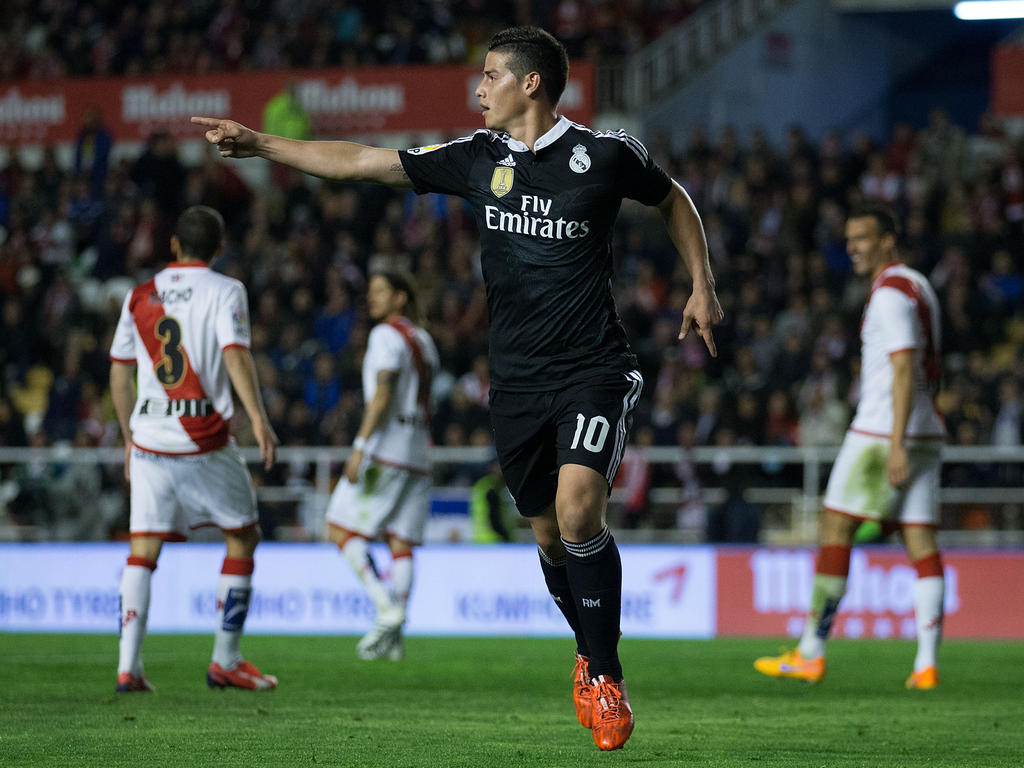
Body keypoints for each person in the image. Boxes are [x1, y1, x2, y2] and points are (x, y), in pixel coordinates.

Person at [193, 25, 722, 751]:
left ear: (530, 83)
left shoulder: (604, 156)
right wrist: (264, 144)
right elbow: (362, 163)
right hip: (514, 382)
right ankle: (588, 653)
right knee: (546, 534)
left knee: (576, 511)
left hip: (594, 368)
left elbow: (674, 202)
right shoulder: (479, 159)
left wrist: (703, 283)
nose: (479, 89)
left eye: (490, 75)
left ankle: (606, 676)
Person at [755, 205, 946, 690]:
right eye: (849, 239)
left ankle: (811, 652)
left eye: (863, 237)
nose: (853, 247)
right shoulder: (920, 285)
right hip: (926, 430)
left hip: (885, 432)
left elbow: (904, 368)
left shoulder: (887, 296)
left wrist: (896, 443)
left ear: (889, 239)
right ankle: (926, 665)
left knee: (834, 524)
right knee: (921, 541)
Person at [109, 206, 279, 693]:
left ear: (175, 246)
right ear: (220, 248)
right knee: (243, 538)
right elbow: (235, 353)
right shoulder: (227, 290)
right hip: (202, 435)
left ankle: (128, 668)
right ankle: (225, 660)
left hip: (148, 438)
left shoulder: (140, 295)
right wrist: (260, 420)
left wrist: (126, 436)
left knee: (142, 551)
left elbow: (119, 370)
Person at [324, 270, 439, 661]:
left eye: (380, 291)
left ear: (400, 298)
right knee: (401, 542)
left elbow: (384, 392)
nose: (371, 298)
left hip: (387, 449)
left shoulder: (384, 336)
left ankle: (388, 609)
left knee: (338, 528)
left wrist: (359, 445)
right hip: (420, 450)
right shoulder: (424, 339)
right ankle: (395, 637)